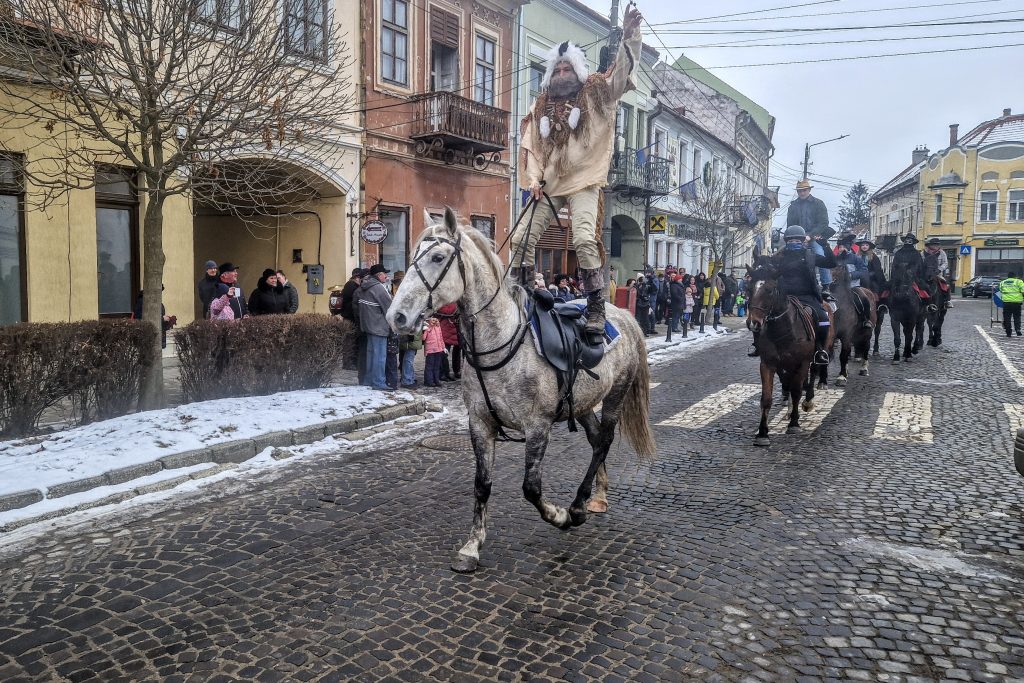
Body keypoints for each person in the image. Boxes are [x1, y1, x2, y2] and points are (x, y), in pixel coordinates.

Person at [510, 5, 644, 341]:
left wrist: (630, 37)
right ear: (551, 74)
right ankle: (523, 296)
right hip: (550, 184)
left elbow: (620, 76)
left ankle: (596, 306)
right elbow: (533, 146)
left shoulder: (596, 90)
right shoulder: (540, 104)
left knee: (584, 238)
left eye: (568, 67)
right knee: (519, 237)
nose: (562, 72)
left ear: (578, 70)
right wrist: (533, 179)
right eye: (558, 68)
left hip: (586, 179)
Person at [751, 225, 836, 363]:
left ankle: (820, 350)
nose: (794, 243)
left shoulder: (810, 255)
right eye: (790, 241)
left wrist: (825, 245)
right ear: (786, 242)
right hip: (784, 295)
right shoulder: (780, 258)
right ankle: (758, 345)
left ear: (803, 241)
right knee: (760, 315)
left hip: (807, 295)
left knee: (823, 318)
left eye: (797, 241)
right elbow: (766, 263)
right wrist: (759, 258)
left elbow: (831, 262)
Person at [787, 179, 832, 292]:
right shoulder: (793, 206)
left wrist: (810, 236)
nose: (802, 193)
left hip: (814, 237)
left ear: (809, 190)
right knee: (788, 256)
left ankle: (826, 285)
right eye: (799, 191)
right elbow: (790, 225)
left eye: (804, 190)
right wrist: (796, 237)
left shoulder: (818, 203)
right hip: (798, 238)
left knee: (820, 253)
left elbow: (823, 223)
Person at [355, 263, 393, 391]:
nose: (386, 276)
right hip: (379, 326)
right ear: (379, 275)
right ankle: (378, 381)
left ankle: (369, 379)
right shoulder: (379, 288)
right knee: (379, 356)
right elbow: (390, 308)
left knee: (371, 355)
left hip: (367, 325)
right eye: (384, 274)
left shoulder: (364, 286)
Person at [835, 233, 873, 329]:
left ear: (848, 247)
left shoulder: (855, 258)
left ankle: (866, 319)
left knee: (863, 299)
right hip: (839, 287)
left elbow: (864, 271)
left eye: (843, 246)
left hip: (853, 286)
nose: (841, 248)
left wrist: (852, 275)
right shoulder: (835, 259)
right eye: (840, 247)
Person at [890, 233, 931, 309]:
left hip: (913, 277)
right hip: (899, 277)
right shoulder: (898, 253)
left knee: (926, 288)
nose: (908, 241)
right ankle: (885, 305)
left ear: (913, 242)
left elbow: (918, 265)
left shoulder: (916, 253)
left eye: (910, 240)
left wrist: (911, 271)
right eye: (907, 240)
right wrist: (896, 275)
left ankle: (927, 306)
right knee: (887, 289)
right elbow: (894, 266)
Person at [856, 237, 887, 310]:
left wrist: (870, 274)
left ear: (869, 246)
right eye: (863, 245)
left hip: (872, 279)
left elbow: (877, 270)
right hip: (858, 279)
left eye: (866, 245)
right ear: (860, 247)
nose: (864, 247)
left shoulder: (874, 257)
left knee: (876, 289)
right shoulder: (856, 256)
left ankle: (879, 306)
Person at [436, 302, 461, 381]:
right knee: (444, 353)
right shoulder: (444, 302)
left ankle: (456, 371)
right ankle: (444, 373)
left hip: (456, 330)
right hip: (446, 331)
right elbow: (449, 310)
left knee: (457, 353)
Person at [999, 270, 1024, 337]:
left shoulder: (1002, 282)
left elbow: (1001, 290)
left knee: (1007, 317)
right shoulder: (1019, 282)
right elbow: (1023, 291)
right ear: (1015, 276)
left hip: (1006, 303)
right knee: (1017, 316)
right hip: (1017, 303)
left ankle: (1008, 332)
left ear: (1008, 276)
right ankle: (1018, 329)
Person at [422, 317, 446, 387]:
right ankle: (429, 381)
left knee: (437, 366)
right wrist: (425, 330)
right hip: (430, 350)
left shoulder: (438, 327)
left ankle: (436, 380)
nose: (434, 321)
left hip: (438, 349)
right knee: (430, 366)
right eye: (432, 320)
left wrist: (443, 347)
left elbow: (441, 338)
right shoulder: (427, 327)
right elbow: (423, 338)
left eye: (435, 319)